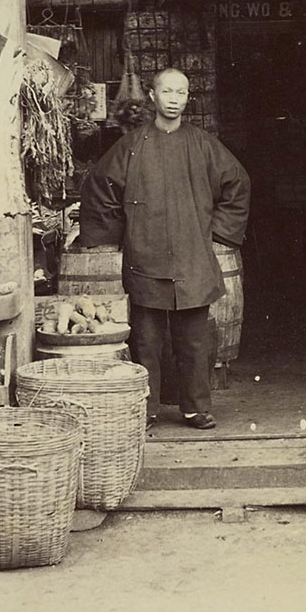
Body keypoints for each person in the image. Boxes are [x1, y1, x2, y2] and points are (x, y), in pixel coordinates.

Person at [80, 68, 250, 430]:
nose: (174, 99)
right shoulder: (131, 145)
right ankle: (147, 409)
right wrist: (119, 235)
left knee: (194, 341)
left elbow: (238, 184)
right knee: (147, 342)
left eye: (181, 93)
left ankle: (196, 408)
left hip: (192, 256)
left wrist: (216, 234)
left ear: (188, 98)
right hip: (146, 255)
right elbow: (100, 186)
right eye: (167, 92)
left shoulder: (204, 145)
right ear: (153, 97)